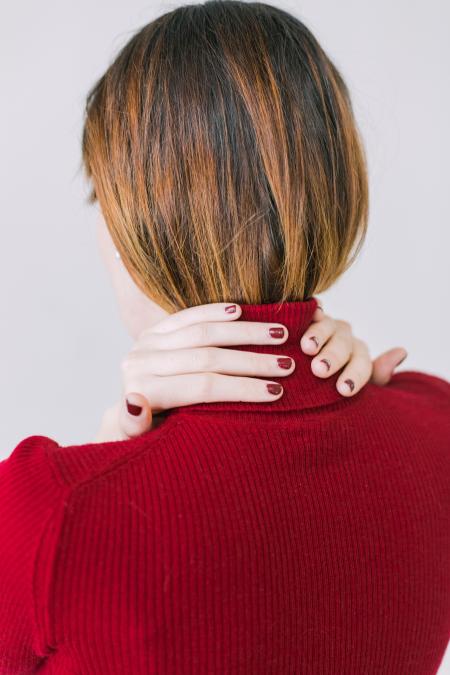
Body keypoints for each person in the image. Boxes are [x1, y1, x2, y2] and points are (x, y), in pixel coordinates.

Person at [0, 2, 448, 673]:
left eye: (102, 199)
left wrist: (98, 475)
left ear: (134, 227)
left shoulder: (45, 513)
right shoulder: (436, 426)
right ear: (334, 189)